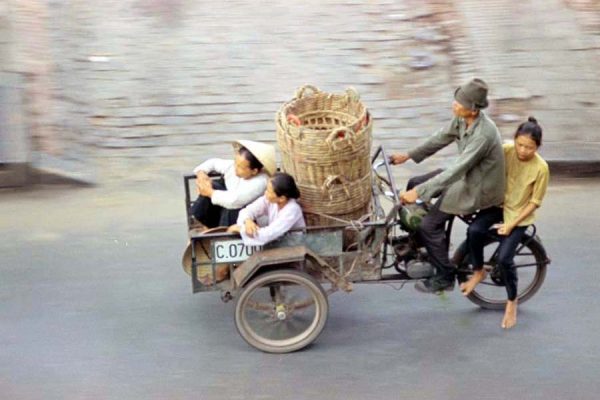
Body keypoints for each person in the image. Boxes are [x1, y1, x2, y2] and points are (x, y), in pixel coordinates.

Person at [389, 78, 505, 293]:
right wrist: (408, 156)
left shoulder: (483, 134)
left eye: (459, 103)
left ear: (472, 109)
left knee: (428, 224)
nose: (455, 105)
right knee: (415, 181)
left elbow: (457, 169)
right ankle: (426, 246)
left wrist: (419, 193)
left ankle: (445, 276)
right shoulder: (463, 120)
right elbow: (440, 138)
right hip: (467, 175)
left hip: (478, 186)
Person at [460, 117, 549, 329]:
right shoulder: (506, 150)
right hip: (499, 205)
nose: (523, 150)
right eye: (520, 144)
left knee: (506, 259)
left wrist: (511, 225)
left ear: (538, 147)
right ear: (514, 140)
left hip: (519, 214)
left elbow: (534, 203)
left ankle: (512, 301)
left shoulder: (541, 168)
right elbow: (484, 156)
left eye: (530, 147)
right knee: (474, 231)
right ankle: (479, 270)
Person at [190, 140, 276, 229]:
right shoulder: (232, 166)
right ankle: (197, 222)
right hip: (227, 208)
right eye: (235, 163)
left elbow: (234, 200)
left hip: (248, 220)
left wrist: (209, 192)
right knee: (212, 184)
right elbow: (213, 163)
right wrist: (202, 174)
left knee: (231, 207)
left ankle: (222, 236)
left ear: (254, 171)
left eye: (240, 167)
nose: (235, 168)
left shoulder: (261, 181)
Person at [228, 172, 306, 246]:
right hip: (276, 243)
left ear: (282, 198)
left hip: (291, 247)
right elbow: (247, 211)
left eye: (269, 191)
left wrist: (241, 229)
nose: (265, 193)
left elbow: (268, 234)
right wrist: (248, 221)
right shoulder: (269, 200)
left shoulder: (292, 210)